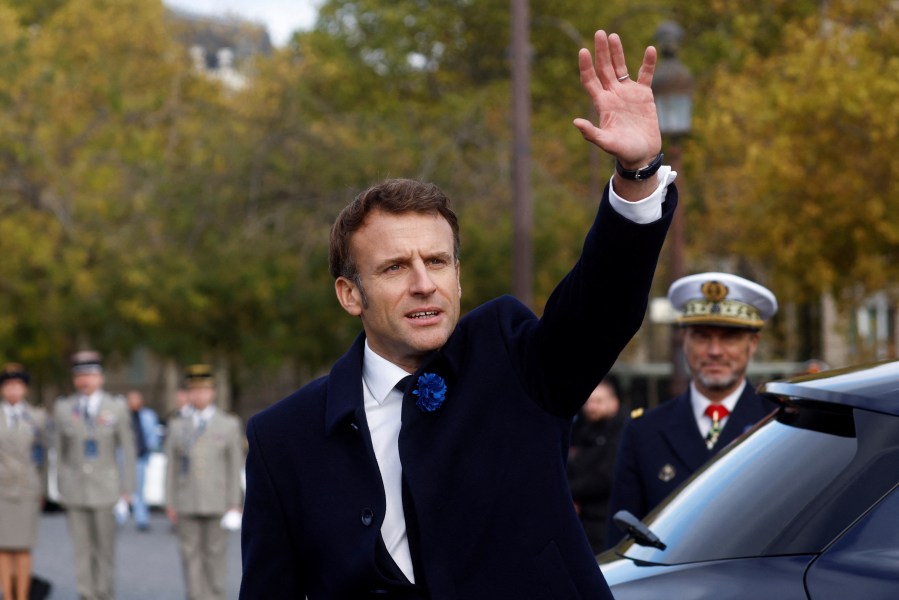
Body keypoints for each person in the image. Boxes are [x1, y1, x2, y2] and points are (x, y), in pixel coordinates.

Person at [239, 29, 677, 599]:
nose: (425, 284)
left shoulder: (511, 357)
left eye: (438, 261)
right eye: (396, 268)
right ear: (350, 294)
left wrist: (636, 176)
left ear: (458, 274)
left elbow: (600, 309)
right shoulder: (283, 438)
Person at [606, 272, 780, 547]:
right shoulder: (644, 432)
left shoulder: (780, 423)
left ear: (753, 344)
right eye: (701, 336)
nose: (715, 351)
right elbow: (620, 543)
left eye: (729, 337)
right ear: (683, 341)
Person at [53, 350, 135, 600]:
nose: (85, 380)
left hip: (106, 490)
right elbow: (59, 451)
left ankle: (104, 594)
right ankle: (86, 594)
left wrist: (128, 488)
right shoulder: (64, 408)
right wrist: (61, 485)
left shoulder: (116, 407)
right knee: (81, 550)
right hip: (76, 489)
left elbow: (128, 449)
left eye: (90, 374)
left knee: (105, 550)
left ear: (100, 377)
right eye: (80, 375)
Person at [165, 364, 244, 600]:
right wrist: (170, 502)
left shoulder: (228, 424)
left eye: (204, 390)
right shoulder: (177, 425)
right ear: (188, 393)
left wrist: (234, 502)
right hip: (186, 499)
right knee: (190, 557)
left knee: (215, 557)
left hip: (217, 501)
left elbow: (234, 466)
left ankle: (215, 596)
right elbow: (171, 467)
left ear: (213, 393)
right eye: (194, 390)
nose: (199, 395)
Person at [0, 363, 47, 600]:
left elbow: (44, 456)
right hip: (1, 488)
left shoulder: (37, 417)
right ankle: (7, 595)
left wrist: (44, 488)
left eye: (18, 386)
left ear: (25, 389)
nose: (13, 391)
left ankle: (23, 596)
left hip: (27, 488)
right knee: (3, 548)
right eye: (8, 386)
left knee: (25, 547)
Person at [567, 378, 624, 554]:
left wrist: (568, 491)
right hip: (583, 520)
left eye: (598, 401)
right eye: (589, 401)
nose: (591, 407)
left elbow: (605, 476)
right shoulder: (581, 428)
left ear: (614, 403)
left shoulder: (622, 431)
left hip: (605, 521)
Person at [126, 389, 160, 531]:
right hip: (124, 459)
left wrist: (148, 449)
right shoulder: (122, 416)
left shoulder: (147, 416)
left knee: (139, 490)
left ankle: (141, 518)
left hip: (140, 457)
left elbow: (153, 436)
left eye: (136, 399)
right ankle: (118, 517)